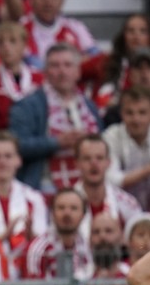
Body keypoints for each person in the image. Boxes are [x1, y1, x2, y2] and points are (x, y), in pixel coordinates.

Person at [10, 43, 102, 194]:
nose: (62, 71)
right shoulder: (27, 105)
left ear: (78, 72)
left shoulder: (89, 105)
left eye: (68, 65)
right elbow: (16, 145)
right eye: (55, 65)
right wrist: (57, 142)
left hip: (85, 185)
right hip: (44, 183)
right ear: (45, 71)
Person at [0, 131, 48, 268]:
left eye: (8, 156)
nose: (2, 162)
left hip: (24, 270)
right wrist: (5, 235)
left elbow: (41, 243)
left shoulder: (34, 198)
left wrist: (31, 234)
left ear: (18, 160)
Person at [26, 188, 93, 285]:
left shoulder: (85, 245)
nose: (67, 213)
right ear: (52, 213)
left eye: (73, 208)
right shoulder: (39, 247)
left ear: (83, 214)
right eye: (61, 208)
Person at [21, 0, 98, 67]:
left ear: (62, 0)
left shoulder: (76, 27)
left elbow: (96, 57)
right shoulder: (20, 29)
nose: (48, 1)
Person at [74, 135, 142, 242]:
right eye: (87, 158)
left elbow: (141, 243)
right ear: (77, 163)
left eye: (99, 158)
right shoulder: (65, 203)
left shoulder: (127, 203)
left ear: (108, 163)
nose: (94, 164)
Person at [0, 21, 43, 131]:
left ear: (24, 45)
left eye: (12, 41)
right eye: (0, 42)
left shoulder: (39, 78)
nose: (6, 47)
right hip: (2, 139)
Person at [103, 87, 150, 209]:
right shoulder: (111, 136)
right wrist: (147, 170)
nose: (136, 119)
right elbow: (112, 180)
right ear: (121, 113)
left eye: (142, 112)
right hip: (120, 207)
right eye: (129, 113)